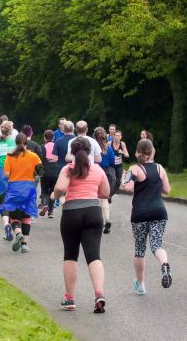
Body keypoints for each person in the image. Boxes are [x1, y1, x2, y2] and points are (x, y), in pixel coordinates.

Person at [52, 137, 110, 313]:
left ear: (73, 152)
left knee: (70, 255)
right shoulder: (97, 169)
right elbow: (105, 193)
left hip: (72, 213)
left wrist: (56, 194)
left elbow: (60, 189)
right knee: (94, 256)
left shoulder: (68, 169)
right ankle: (99, 294)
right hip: (93, 212)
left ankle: (70, 298)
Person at [120, 138, 173, 294]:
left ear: (137, 152)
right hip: (159, 212)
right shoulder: (159, 168)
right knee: (157, 245)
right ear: (152, 152)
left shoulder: (135, 169)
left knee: (139, 249)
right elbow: (167, 190)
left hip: (140, 214)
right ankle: (164, 264)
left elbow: (127, 187)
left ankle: (141, 284)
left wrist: (125, 177)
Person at [0, 133, 43, 253]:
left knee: (14, 215)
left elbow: (6, 174)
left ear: (15, 143)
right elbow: (41, 172)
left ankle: (18, 232)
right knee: (26, 216)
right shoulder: (34, 156)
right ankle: (25, 244)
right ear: (26, 143)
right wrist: (32, 173)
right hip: (29, 188)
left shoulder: (10, 156)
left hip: (14, 188)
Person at [93, 126, 116, 234]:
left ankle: (96, 220)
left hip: (96, 172)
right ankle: (107, 219)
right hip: (107, 173)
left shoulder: (92, 147)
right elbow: (113, 161)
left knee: (94, 198)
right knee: (104, 199)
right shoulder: (108, 148)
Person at [39, 130, 59, 218]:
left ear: (44, 138)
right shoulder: (56, 146)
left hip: (45, 172)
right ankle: (50, 212)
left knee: (44, 190)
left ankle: (45, 204)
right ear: (53, 138)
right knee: (52, 191)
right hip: (55, 172)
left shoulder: (41, 147)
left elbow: (38, 161)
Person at [108, 130, 129, 205]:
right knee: (113, 178)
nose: (117, 137)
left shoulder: (122, 144)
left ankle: (110, 195)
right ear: (113, 136)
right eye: (115, 135)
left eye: (118, 136)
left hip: (119, 165)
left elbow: (127, 155)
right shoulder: (109, 143)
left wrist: (122, 152)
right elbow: (104, 151)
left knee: (118, 181)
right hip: (111, 165)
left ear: (121, 137)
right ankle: (109, 194)